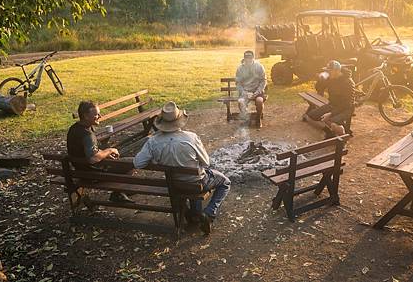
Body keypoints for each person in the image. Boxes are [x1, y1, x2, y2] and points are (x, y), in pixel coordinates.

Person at [133, 102, 231, 234]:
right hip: (195, 183)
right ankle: (209, 213)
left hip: (173, 184)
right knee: (224, 182)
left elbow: (138, 163)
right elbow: (206, 162)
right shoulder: (191, 137)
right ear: (179, 120)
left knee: (193, 180)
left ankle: (195, 215)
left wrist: (154, 158)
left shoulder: (153, 141)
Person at [66, 101, 134, 203]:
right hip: (92, 173)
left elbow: (88, 151)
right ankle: (118, 193)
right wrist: (109, 150)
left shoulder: (74, 128)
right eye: (96, 114)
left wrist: (105, 155)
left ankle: (120, 192)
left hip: (79, 170)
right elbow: (93, 158)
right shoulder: (87, 134)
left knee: (119, 161)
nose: (100, 116)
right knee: (132, 163)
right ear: (85, 116)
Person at [303, 60, 355, 138]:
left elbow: (347, 104)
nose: (328, 73)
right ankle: (329, 130)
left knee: (332, 122)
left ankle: (343, 136)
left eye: (330, 71)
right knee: (310, 117)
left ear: (337, 71)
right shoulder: (331, 78)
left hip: (346, 108)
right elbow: (319, 88)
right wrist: (321, 80)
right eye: (327, 71)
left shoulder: (348, 82)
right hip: (332, 105)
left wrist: (331, 113)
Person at [235, 50, 267, 128]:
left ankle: (258, 119)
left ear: (253, 58)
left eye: (250, 57)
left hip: (257, 91)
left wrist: (257, 92)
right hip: (245, 92)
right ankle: (246, 119)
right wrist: (243, 92)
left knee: (259, 101)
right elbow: (238, 83)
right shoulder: (240, 68)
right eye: (246, 58)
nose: (248, 59)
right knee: (241, 102)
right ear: (244, 58)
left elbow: (263, 80)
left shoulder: (259, 66)